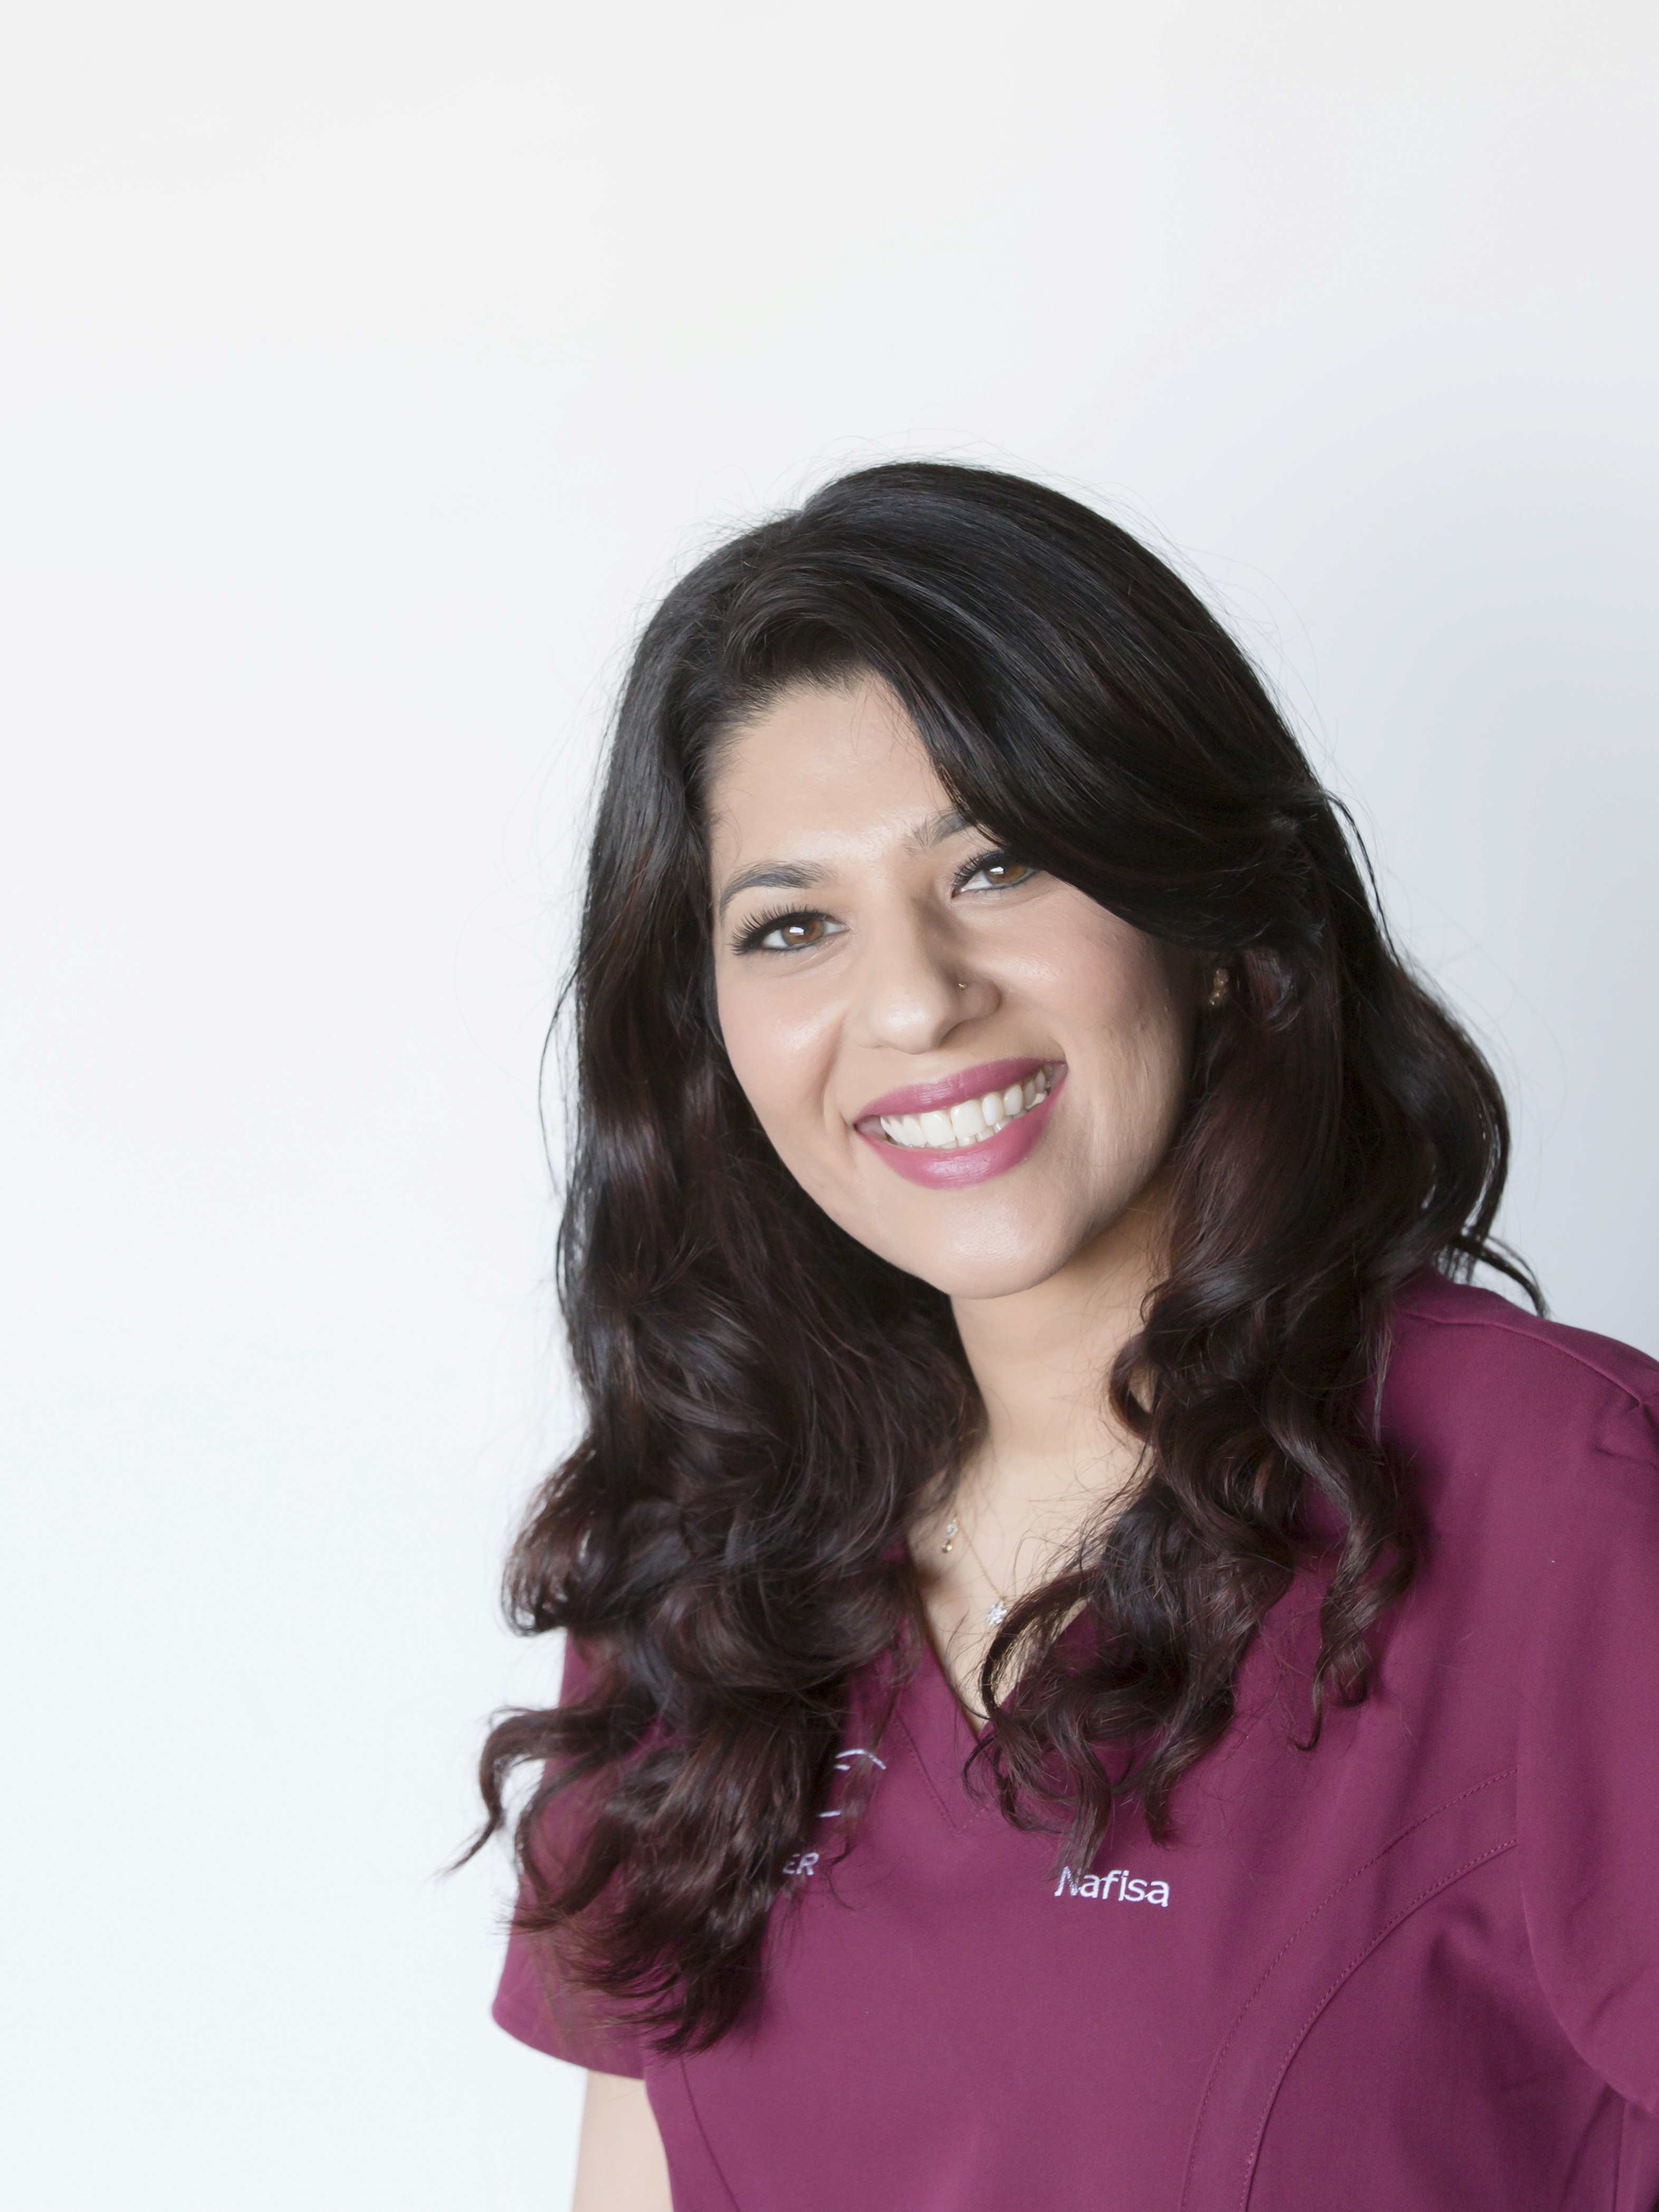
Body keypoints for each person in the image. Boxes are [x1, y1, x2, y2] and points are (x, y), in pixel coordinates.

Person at [470, 463, 1659, 2209]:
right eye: (792, 924)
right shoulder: (699, 1551)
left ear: (1210, 926)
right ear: (708, 1030)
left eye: (998, 863)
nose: (912, 999)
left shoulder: (1566, 1505)